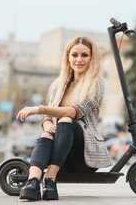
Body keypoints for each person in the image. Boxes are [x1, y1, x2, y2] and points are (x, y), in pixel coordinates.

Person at [16, 36, 112, 201]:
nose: (79, 59)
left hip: (84, 156)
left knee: (66, 120)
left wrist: (39, 109)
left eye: (84, 55)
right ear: (68, 57)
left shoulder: (97, 84)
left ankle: (50, 180)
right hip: (60, 154)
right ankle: (32, 182)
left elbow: (75, 112)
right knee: (47, 134)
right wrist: (46, 124)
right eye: (74, 55)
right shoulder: (58, 84)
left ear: (92, 58)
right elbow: (49, 117)